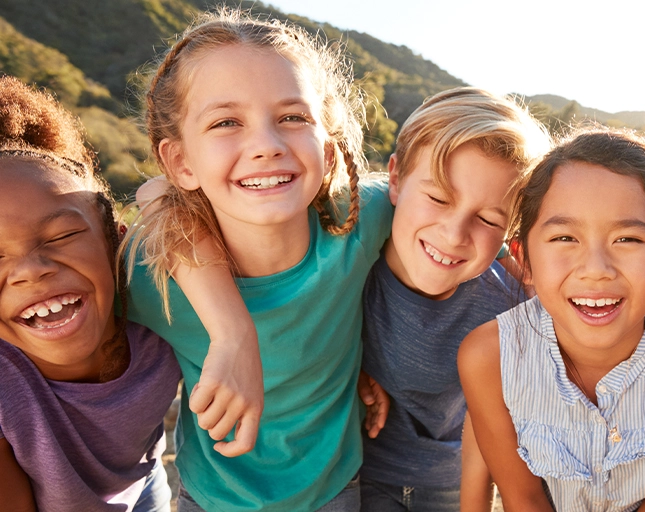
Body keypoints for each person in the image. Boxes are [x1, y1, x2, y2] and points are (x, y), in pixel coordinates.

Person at [122, 10, 393, 511]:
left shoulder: (359, 220)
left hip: (337, 490)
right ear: (181, 162)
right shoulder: (148, 274)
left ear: (328, 154)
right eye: (227, 122)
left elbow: (454, 212)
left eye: (293, 117)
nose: (266, 146)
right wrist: (233, 331)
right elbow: (153, 193)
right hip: (213, 500)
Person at [459, 128, 645, 511]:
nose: (596, 270)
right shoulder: (488, 357)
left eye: (627, 239)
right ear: (524, 258)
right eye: (564, 238)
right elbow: (522, 496)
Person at [358, 87, 549, 511]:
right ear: (394, 179)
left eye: (486, 219)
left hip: (451, 484)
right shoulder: (350, 262)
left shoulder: (508, 304)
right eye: (439, 198)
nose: (455, 233)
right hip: (356, 473)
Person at [0, 76, 181, 511]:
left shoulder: (167, 301)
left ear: (116, 241)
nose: (30, 271)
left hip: (143, 484)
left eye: (61, 235)